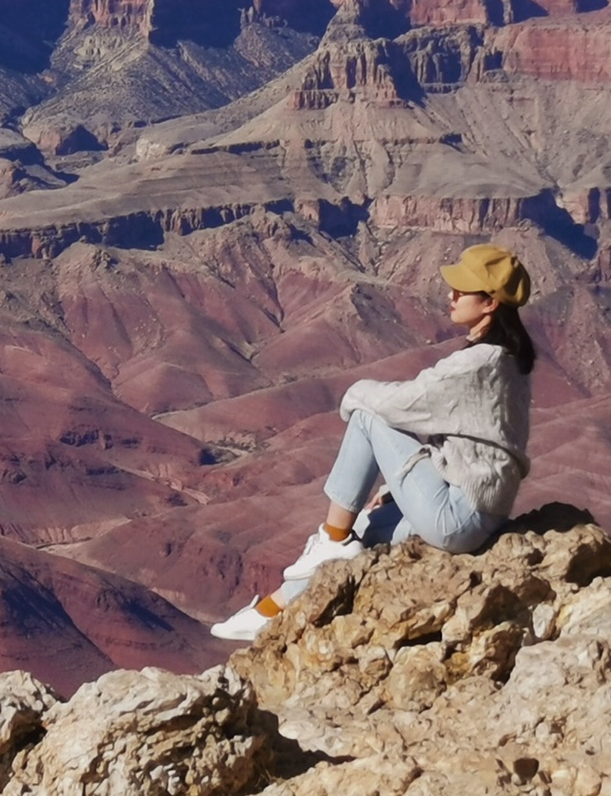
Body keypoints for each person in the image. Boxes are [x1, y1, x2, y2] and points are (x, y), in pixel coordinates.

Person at [211, 243, 536, 641]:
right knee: (360, 528)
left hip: (456, 517)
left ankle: (329, 540)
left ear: (490, 304)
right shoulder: (509, 360)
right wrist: (399, 491)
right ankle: (271, 612)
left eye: (462, 291)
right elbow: (472, 449)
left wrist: (353, 395)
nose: (450, 296)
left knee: (368, 418)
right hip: (477, 516)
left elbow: (405, 403)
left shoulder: (476, 364)